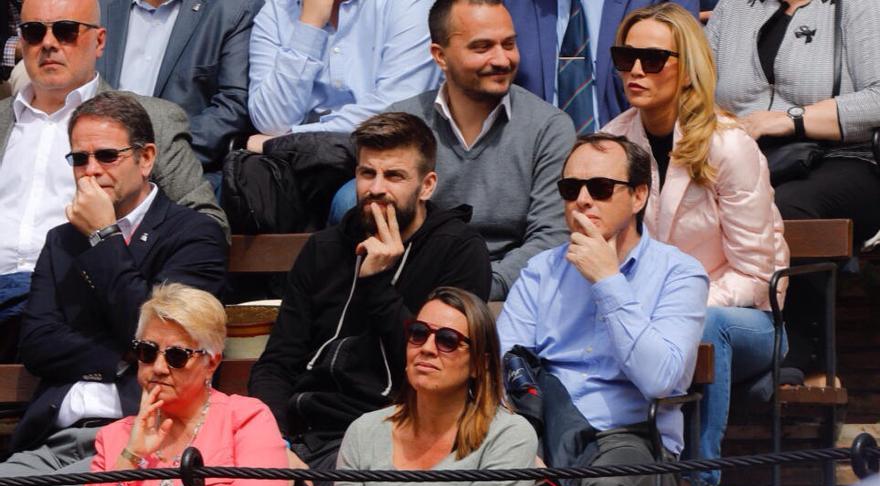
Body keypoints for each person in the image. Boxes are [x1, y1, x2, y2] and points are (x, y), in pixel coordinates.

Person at [248, 112, 492, 486]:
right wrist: (273, 442)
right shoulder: (324, 248)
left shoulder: (457, 251)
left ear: (426, 185)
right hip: (304, 431)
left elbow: (438, 372)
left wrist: (378, 283)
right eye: (367, 173)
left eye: (394, 176)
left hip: (394, 435)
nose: (376, 188)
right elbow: (278, 363)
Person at [601, 4, 790, 486]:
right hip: (649, 319)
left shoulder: (728, 146)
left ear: (688, 67)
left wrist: (677, 309)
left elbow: (755, 274)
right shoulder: (612, 145)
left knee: (704, 326)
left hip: (746, 319)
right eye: (626, 57)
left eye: (653, 58)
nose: (636, 70)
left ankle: (698, 484)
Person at [0, 91, 227, 486]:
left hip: (144, 436)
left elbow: (162, 340)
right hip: (51, 437)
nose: (91, 171)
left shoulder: (193, 234)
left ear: (146, 158)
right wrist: (121, 357)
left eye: (107, 156)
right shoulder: (60, 241)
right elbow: (36, 343)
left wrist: (104, 236)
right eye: (79, 159)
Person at [497, 132, 709, 486]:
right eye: (570, 188)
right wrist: (519, 444)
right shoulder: (540, 271)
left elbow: (660, 379)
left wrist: (608, 281)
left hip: (631, 436)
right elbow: (503, 368)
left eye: (600, 188)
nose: (582, 200)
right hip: (544, 427)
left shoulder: (680, 273)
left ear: (639, 196)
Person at [0, 0, 227, 333]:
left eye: (65, 31)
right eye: (34, 32)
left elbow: (206, 223)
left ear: (100, 41)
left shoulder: (151, 119)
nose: (48, 43)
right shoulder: (2, 120)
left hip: (83, 301)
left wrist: (117, 253)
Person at [370, 0, 575, 301]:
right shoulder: (404, 123)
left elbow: (551, 237)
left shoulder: (548, 127)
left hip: (513, 297)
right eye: (482, 47)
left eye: (509, 44)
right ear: (440, 56)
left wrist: (474, 291)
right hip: (415, 295)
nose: (502, 60)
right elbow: (385, 227)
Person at [81, 283, 288, 486]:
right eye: (147, 351)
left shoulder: (246, 420)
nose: (159, 368)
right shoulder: (114, 437)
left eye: (177, 356)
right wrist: (132, 455)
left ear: (211, 363)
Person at [707, 0, 880, 248]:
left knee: (782, 208)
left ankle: (786, 287)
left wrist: (791, 119)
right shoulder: (732, 7)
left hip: (840, 157)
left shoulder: (861, 5)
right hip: (743, 158)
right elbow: (697, 89)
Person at [336, 286, 537, 486]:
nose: (427, 348)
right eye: (418, 333)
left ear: (479, 364)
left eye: (447, 340)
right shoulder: (363, 432)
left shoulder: (509, 436)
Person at [245, 0, 441, 152]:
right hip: (294, 162)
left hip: (379, 155)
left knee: (351, 197)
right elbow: (271, 121)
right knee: (249, 181)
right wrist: (309, 26)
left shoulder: (408, 5)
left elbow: (395, 116)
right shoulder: (277, 11)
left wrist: (288, 141)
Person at [96, 0, 264, 171]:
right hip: (86, 161)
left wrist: (149, 158)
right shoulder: (94, 6)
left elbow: (233, 106)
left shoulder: (233, 9)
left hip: (172, 171)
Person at [503, 0, 698, 130]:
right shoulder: (510, 6)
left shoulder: (657, 3)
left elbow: (687, 79)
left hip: (636, 166)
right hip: (534, 166)